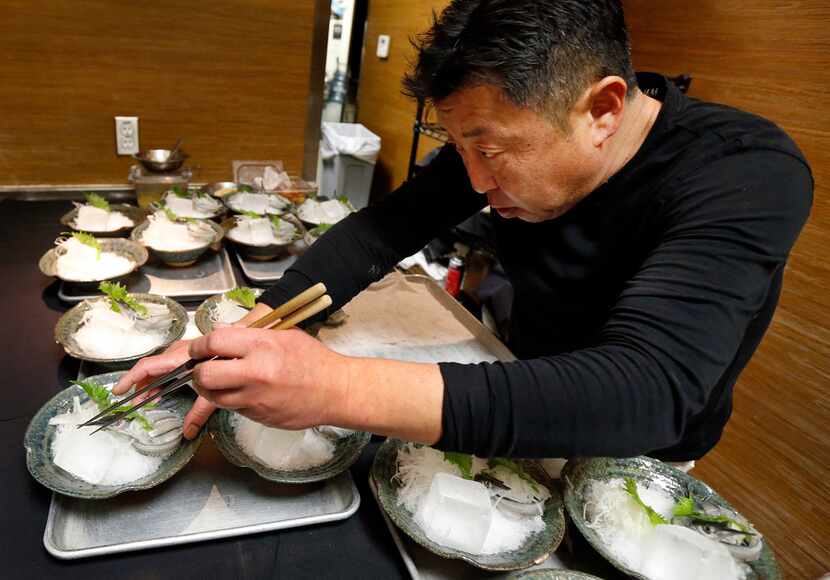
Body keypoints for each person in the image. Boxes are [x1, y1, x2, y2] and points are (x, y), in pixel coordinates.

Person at [115, 0, 812, 462]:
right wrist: (259, 330)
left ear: (602, 109)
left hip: (639, 441)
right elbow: (383, 229)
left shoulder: (744, 172)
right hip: (511, 385)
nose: (475, 182)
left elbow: (648, 387)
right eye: (460, 147)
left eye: (490, 150)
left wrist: (336, 388)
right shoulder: (506, 130)